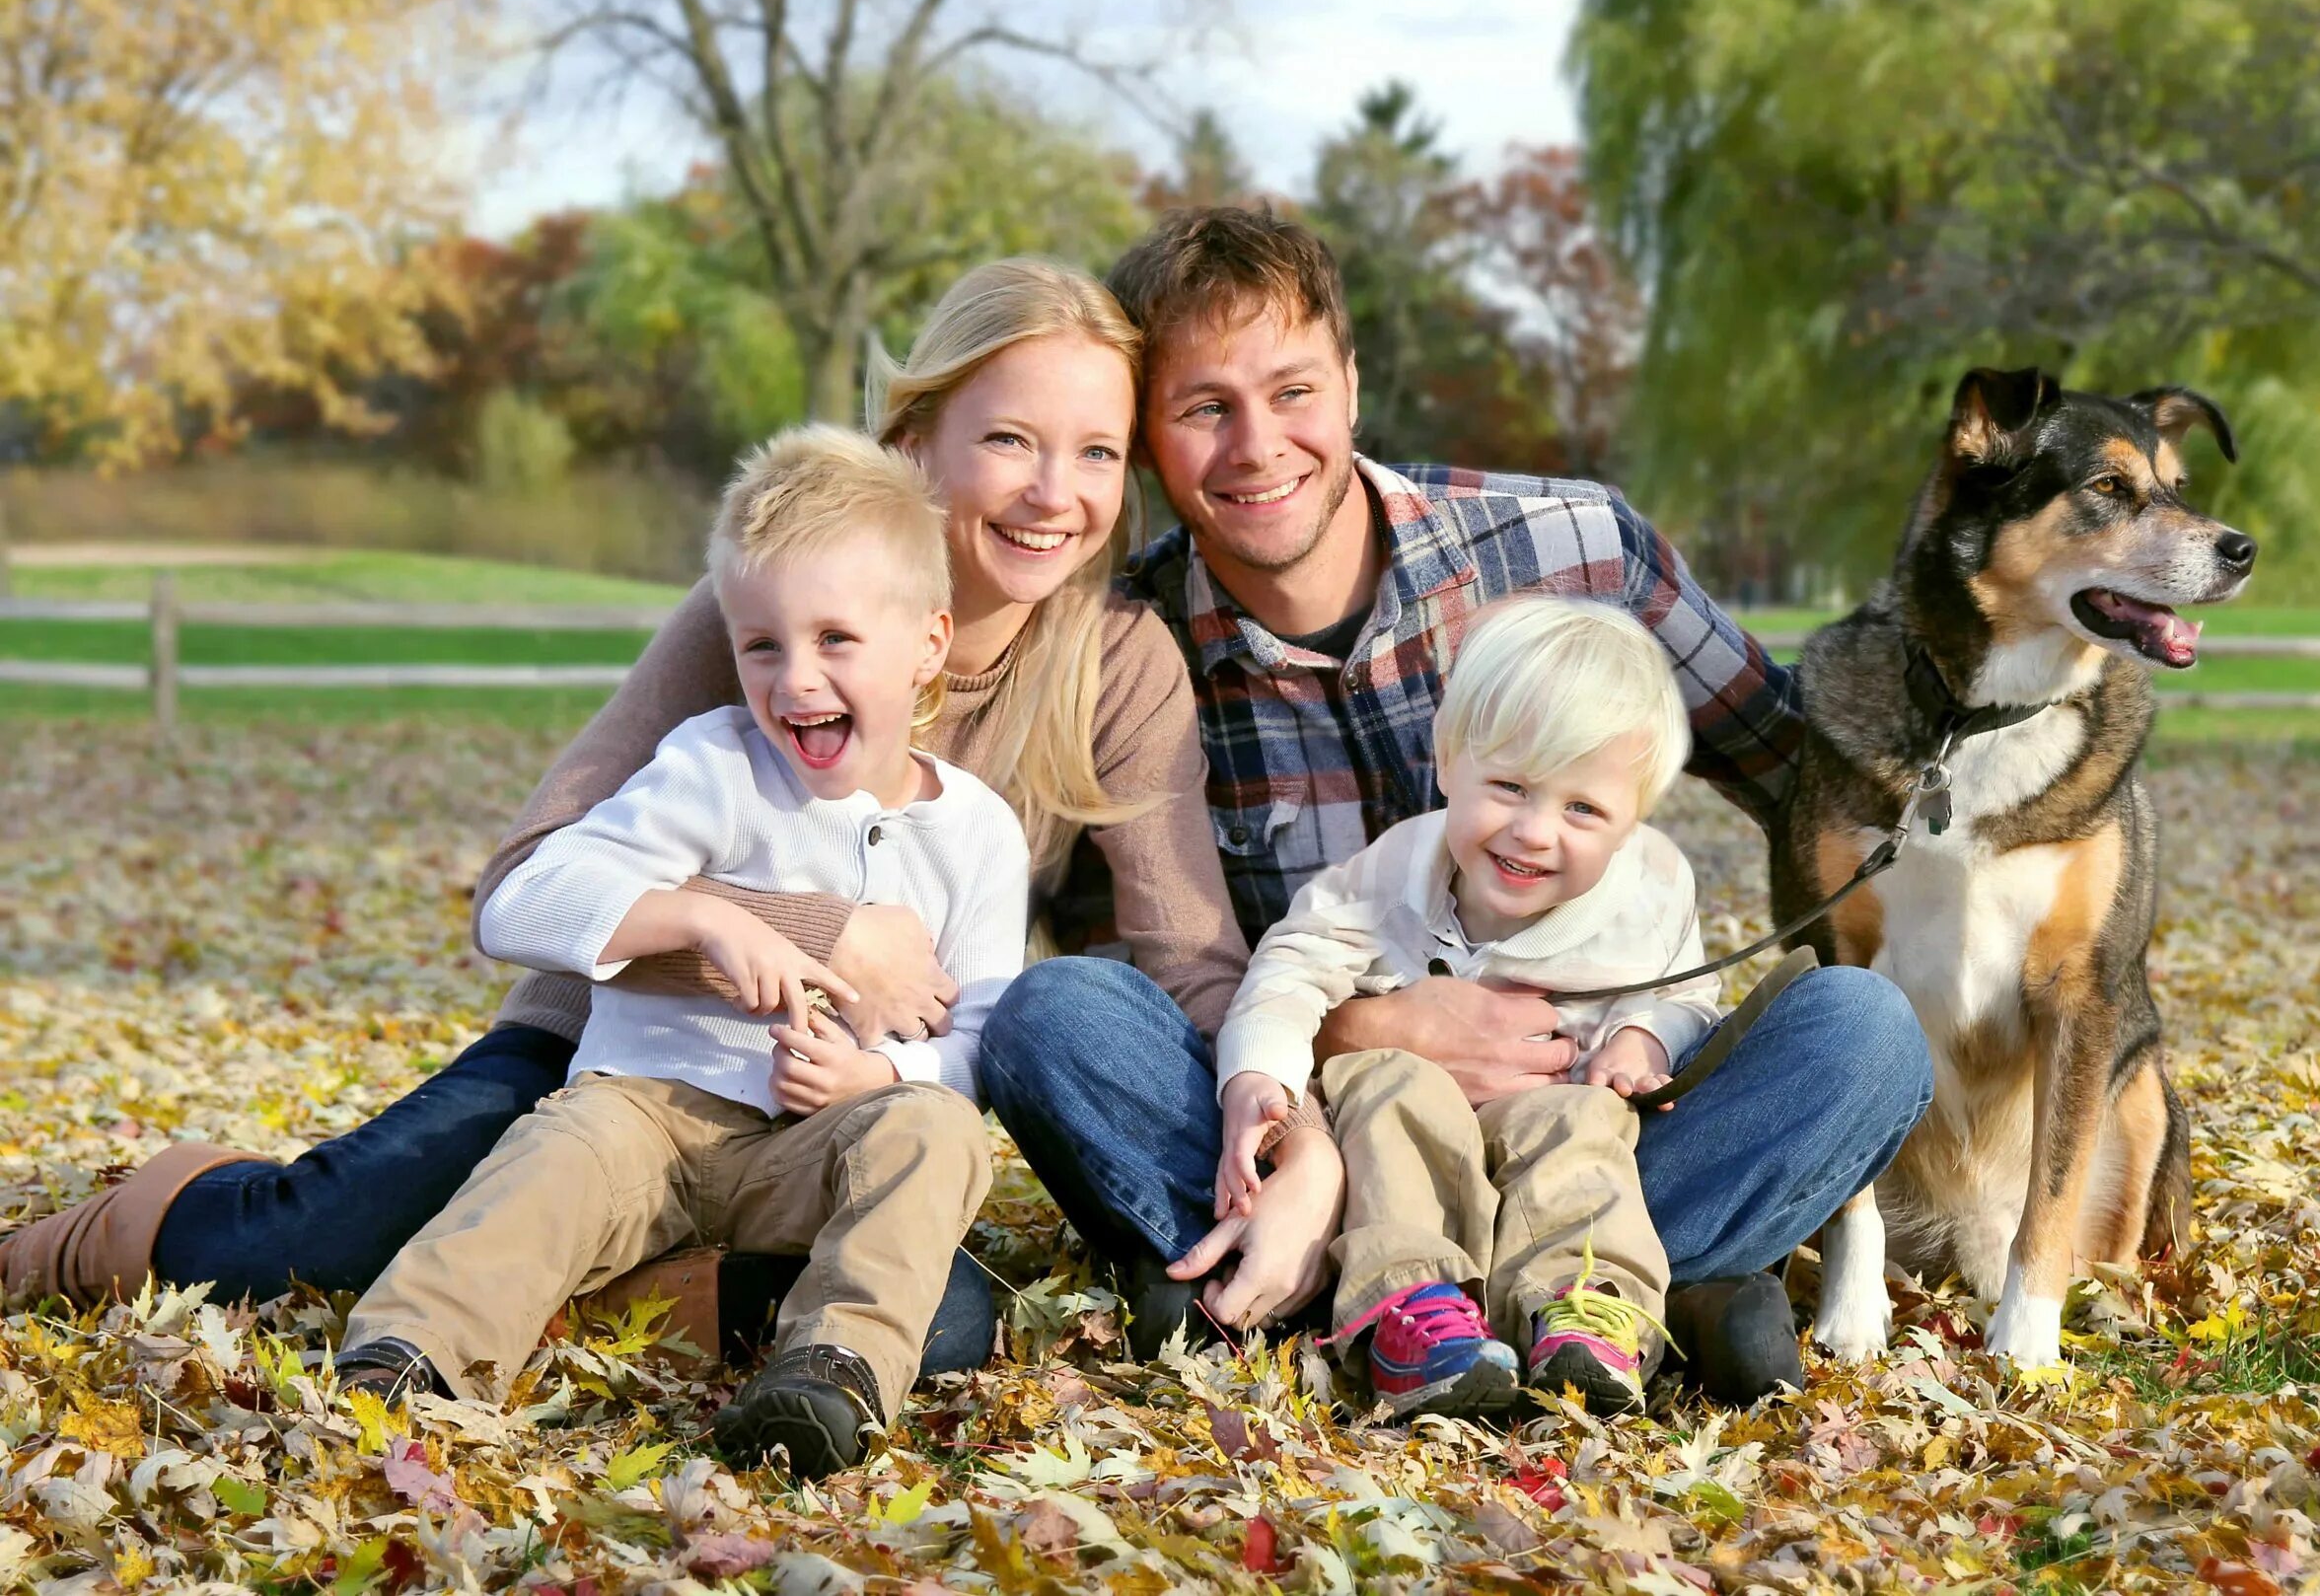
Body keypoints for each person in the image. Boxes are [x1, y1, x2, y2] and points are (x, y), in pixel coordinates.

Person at [0, 258, 1259, 1375]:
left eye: (1097, 453)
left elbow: (1181, 956)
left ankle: (597, 1288)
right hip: (610, 1058)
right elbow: (530, 870)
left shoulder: (1115, 659)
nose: (1056, 492)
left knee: (941, 1327)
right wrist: (821, 931)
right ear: (919, 440)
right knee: (315, 1242)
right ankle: (138, 1219)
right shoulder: (762, 617)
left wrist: (1276, 1114)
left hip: (833, 1111)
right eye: (1009, 441)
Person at [979, 206, 1937, 1403]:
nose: (1256, 445)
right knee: (1056, 1015)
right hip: (1312, 1146)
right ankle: (1624, 1293)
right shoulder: (1122, 651)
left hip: (1598, 1136)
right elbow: (1130, 973)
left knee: (1865, 1033)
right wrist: (1360, 1037)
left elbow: (1811, 772)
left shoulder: (1576, 548)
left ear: (1351, 381)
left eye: (1291, 391)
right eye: (1202, 408)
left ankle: (1390, 1300)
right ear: (1148, 446)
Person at [333, 427, 1022, 1479]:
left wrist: (879, 1075)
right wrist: (706, 918)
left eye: (835, 639)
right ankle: (412, 1353)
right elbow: (523, 903)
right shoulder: (712, 765)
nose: (795, 681)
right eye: (762, 645)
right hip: (645, 1116)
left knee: (934, 1138)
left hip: (815, 1147)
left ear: (929, 643)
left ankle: (829, 1373)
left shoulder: (977, 831)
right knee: (550, 1159)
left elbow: (982, 1038)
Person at [1217, 597, 1718, 1415]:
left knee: (1582, 1126)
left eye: (1583, 808)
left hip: (1549, 1115)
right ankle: (1410, 1311)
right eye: (1509, 787)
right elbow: (1288, 966)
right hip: (1406, 1136)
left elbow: (1686, 992)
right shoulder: (1386, 875)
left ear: (1633, 820)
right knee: (1388, 1084)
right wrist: (1259, 1077)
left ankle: (1585, 1310)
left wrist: (1642, 1036)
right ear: (1449, 761)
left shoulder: (1652, 891)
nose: (1533, 831)